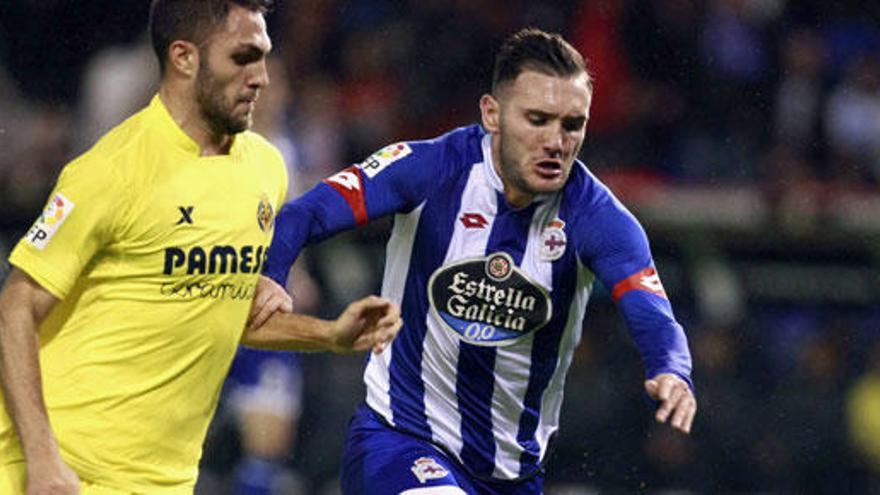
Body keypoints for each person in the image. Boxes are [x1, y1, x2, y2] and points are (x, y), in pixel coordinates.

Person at [258, 28, 697, 494]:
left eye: (572, 125)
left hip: (512, 475)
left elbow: (654, 313)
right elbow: (305, 212)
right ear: (492, 113)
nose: (556, 141)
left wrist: (671, 369)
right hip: (400, 441)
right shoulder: (429, 167)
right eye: (538, 119)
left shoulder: (599, 218)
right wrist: (273, 277)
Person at [0, 1, 401, 494]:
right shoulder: (111, 170)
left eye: (264, 57)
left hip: (162, 480)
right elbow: (16, 305)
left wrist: (329, 335)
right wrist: (42, 459)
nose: (262, 78)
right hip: (61, 470)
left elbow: (226, 309)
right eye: (242, 58)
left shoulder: (265, 170)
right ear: (184, 57)